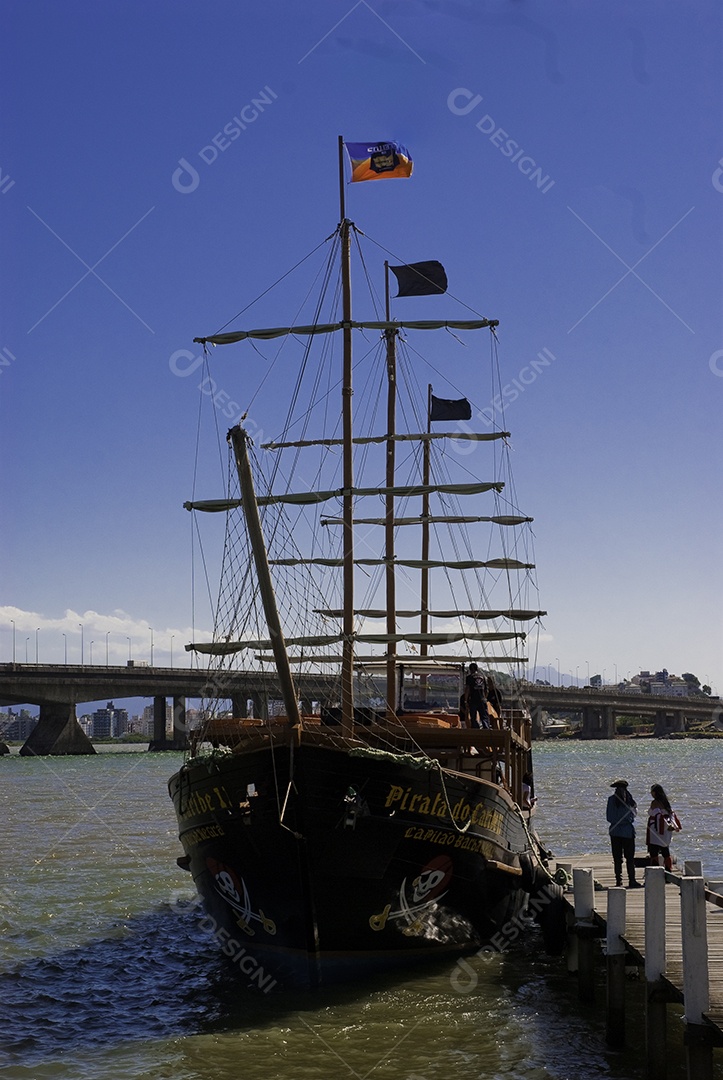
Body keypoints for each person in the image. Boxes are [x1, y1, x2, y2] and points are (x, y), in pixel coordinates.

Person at [606, 780, 642, 888]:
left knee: (617, 858)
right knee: (630, 858)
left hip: (615, 832)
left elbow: (609, 817)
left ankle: (619, 881)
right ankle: (632, 880)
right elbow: (632, 816)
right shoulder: (630, 801)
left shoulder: (611, 800)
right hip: (627, 832)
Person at [646, 783, 682, 872]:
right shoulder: (666, 802)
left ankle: (655, 872)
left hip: (656, 829)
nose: (651, 793)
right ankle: (668, 870)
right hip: (666, 829)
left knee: (654, 851)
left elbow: (651, 813)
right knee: (665, 850)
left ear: (655, 793)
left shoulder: (654, 802)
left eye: (652, 792)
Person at [465, 663, 490, 729]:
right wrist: (484, 698)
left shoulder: (469, 677)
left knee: (473, 717)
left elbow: (467, 689)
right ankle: (486, 728)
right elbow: (486, 690)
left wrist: (466, 700)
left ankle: (476, 729)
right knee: (484, 716)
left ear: (470, 669)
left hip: (473, 699)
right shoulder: (483, 677)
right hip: (482, 699)